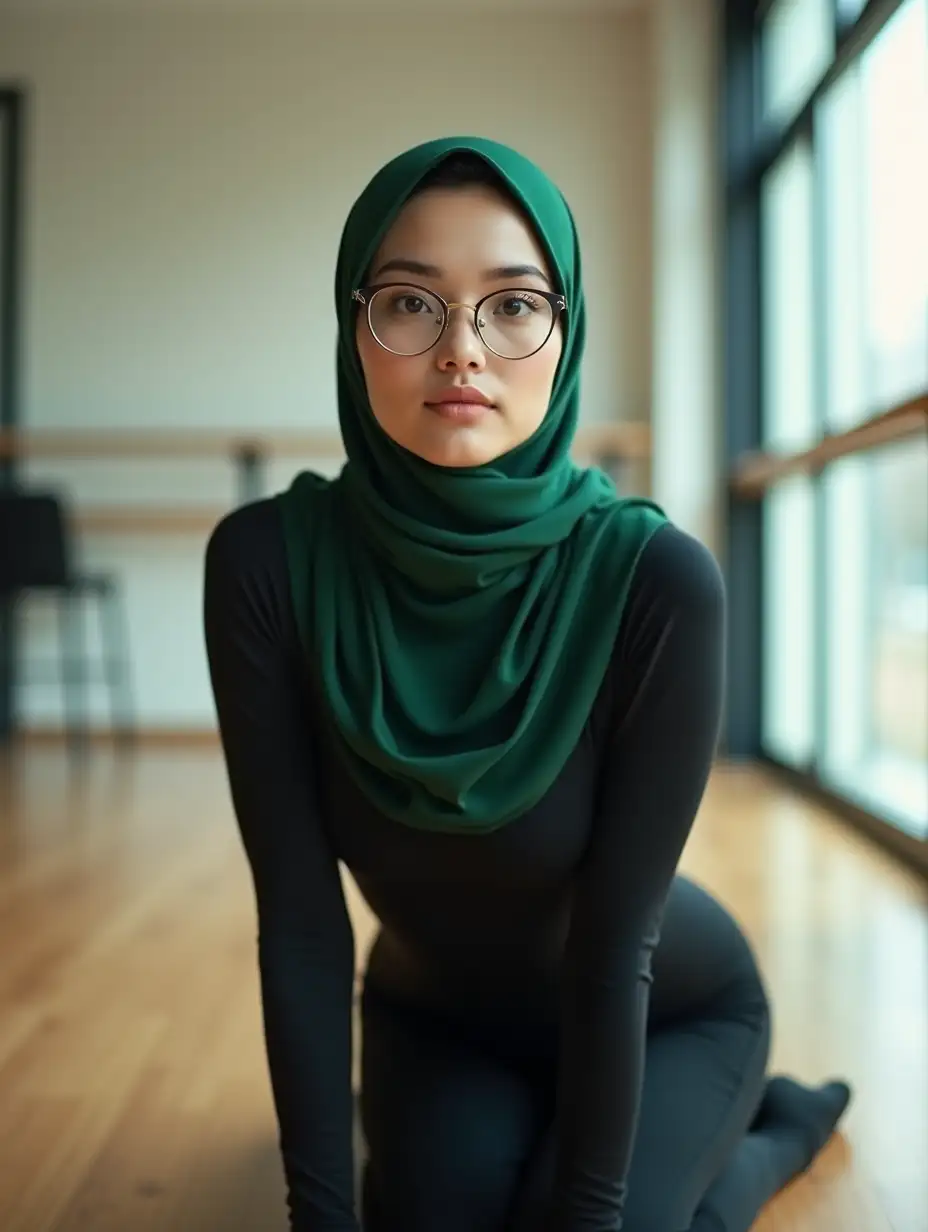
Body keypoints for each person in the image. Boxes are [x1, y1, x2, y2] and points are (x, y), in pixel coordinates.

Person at [203, 136, 851, 1232]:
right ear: (353, 326)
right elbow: (304, 924)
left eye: (511, 306)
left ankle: (777, 1127)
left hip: (667, 1011)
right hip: (434, 1016)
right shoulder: (269, 564)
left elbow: (615, 943)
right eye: (410, 303)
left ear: (566, 330)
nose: (462, 349)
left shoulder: (654, 580)